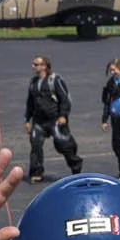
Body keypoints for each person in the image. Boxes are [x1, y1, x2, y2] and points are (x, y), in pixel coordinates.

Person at [23, 55, 82, 183]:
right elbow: (30, 103)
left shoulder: (55, 80)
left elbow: (64, 99)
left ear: (44, 66)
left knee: (63, 144)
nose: (33, 66)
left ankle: (76, 166)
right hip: (39, 121)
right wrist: (27, 120)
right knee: (35, 145)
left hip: (55, 119)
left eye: (36, 64)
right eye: (34, 64)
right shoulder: (33, 83)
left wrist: (63, 115)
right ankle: (36, 172)